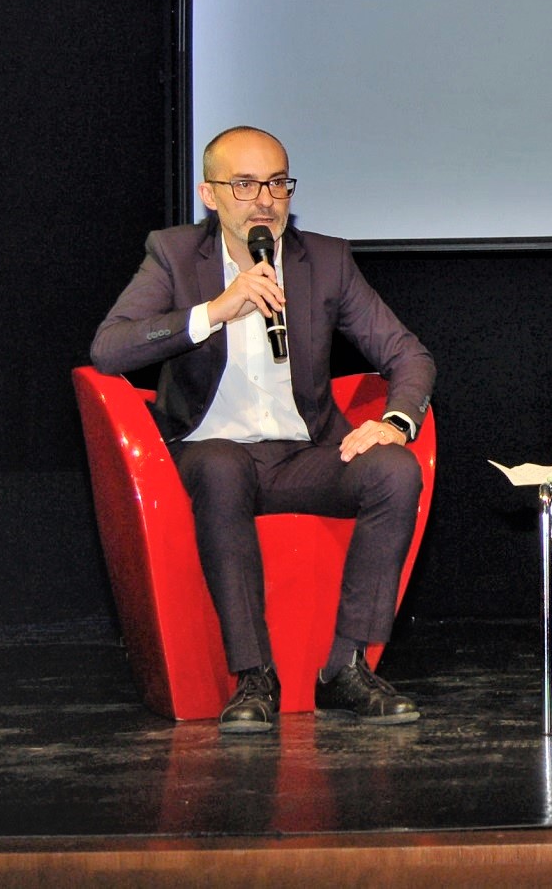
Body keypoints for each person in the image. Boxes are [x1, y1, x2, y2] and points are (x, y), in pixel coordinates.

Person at [92, 126, 436, 734]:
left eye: (278, 183)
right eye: (245, 184)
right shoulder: (173, 255)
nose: (265, 200)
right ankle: (254, 676)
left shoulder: (324, 261)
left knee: (393, 472)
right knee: (223, 468)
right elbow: (111, 348)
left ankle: (347, 666)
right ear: (209, 193)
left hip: (301, 454)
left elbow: (408, 354)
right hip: (208, 452)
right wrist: (215, 311)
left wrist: (394, 421)